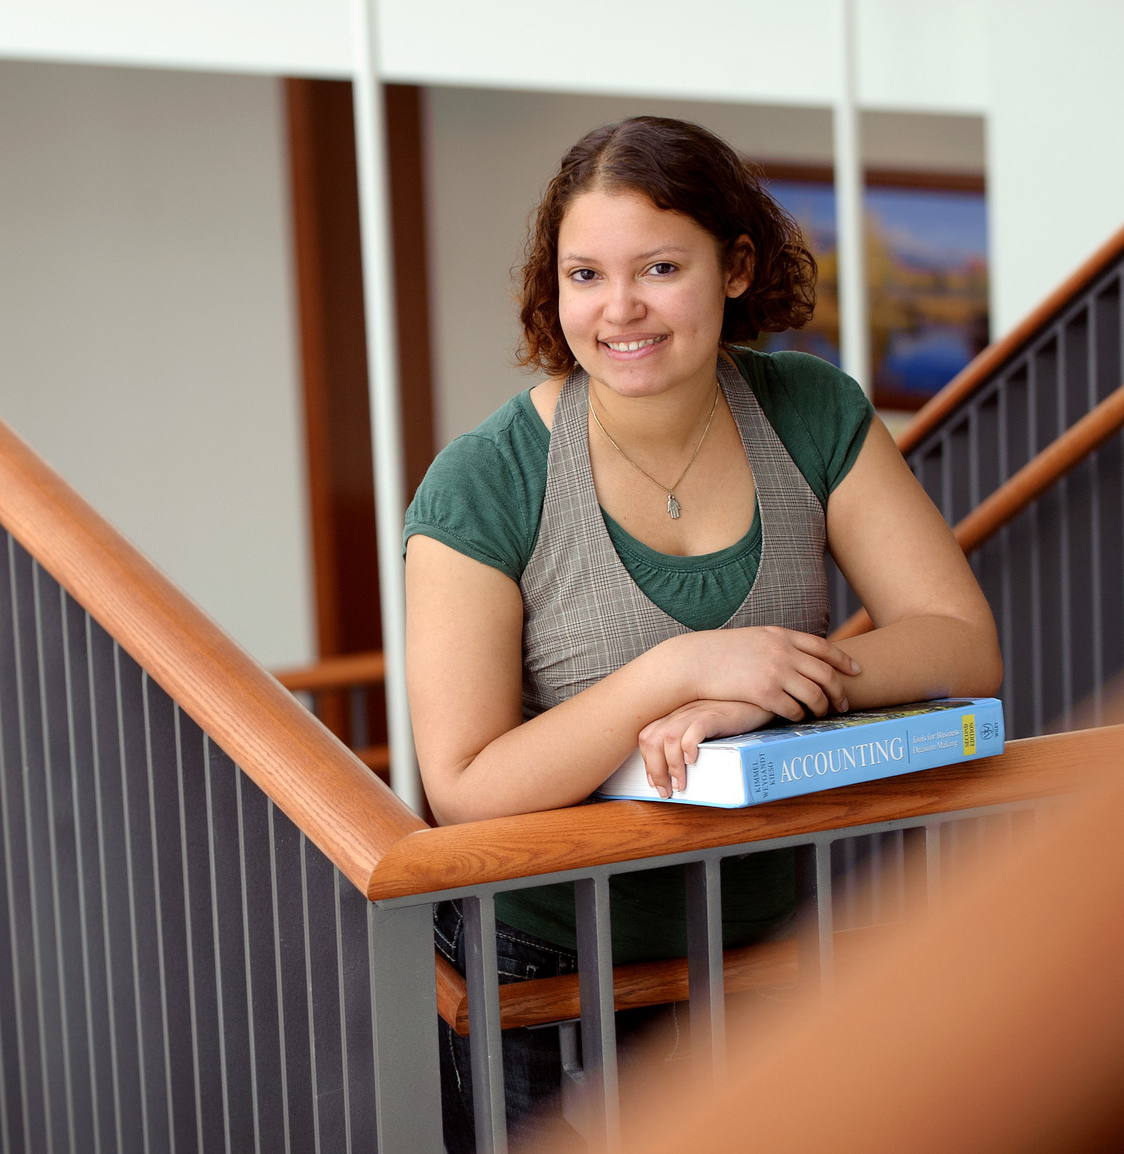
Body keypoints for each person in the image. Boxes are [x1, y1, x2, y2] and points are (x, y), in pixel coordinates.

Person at [403, 116, 1002, 1149]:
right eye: (583, 273)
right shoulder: (483, 481)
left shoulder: (808, 409)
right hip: (555, 965)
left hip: (774, 929)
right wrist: (677, 669)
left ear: (735, 267)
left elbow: (958, 641)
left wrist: (765, 686)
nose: (617, 308)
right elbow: (461, 782)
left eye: (659, 267)